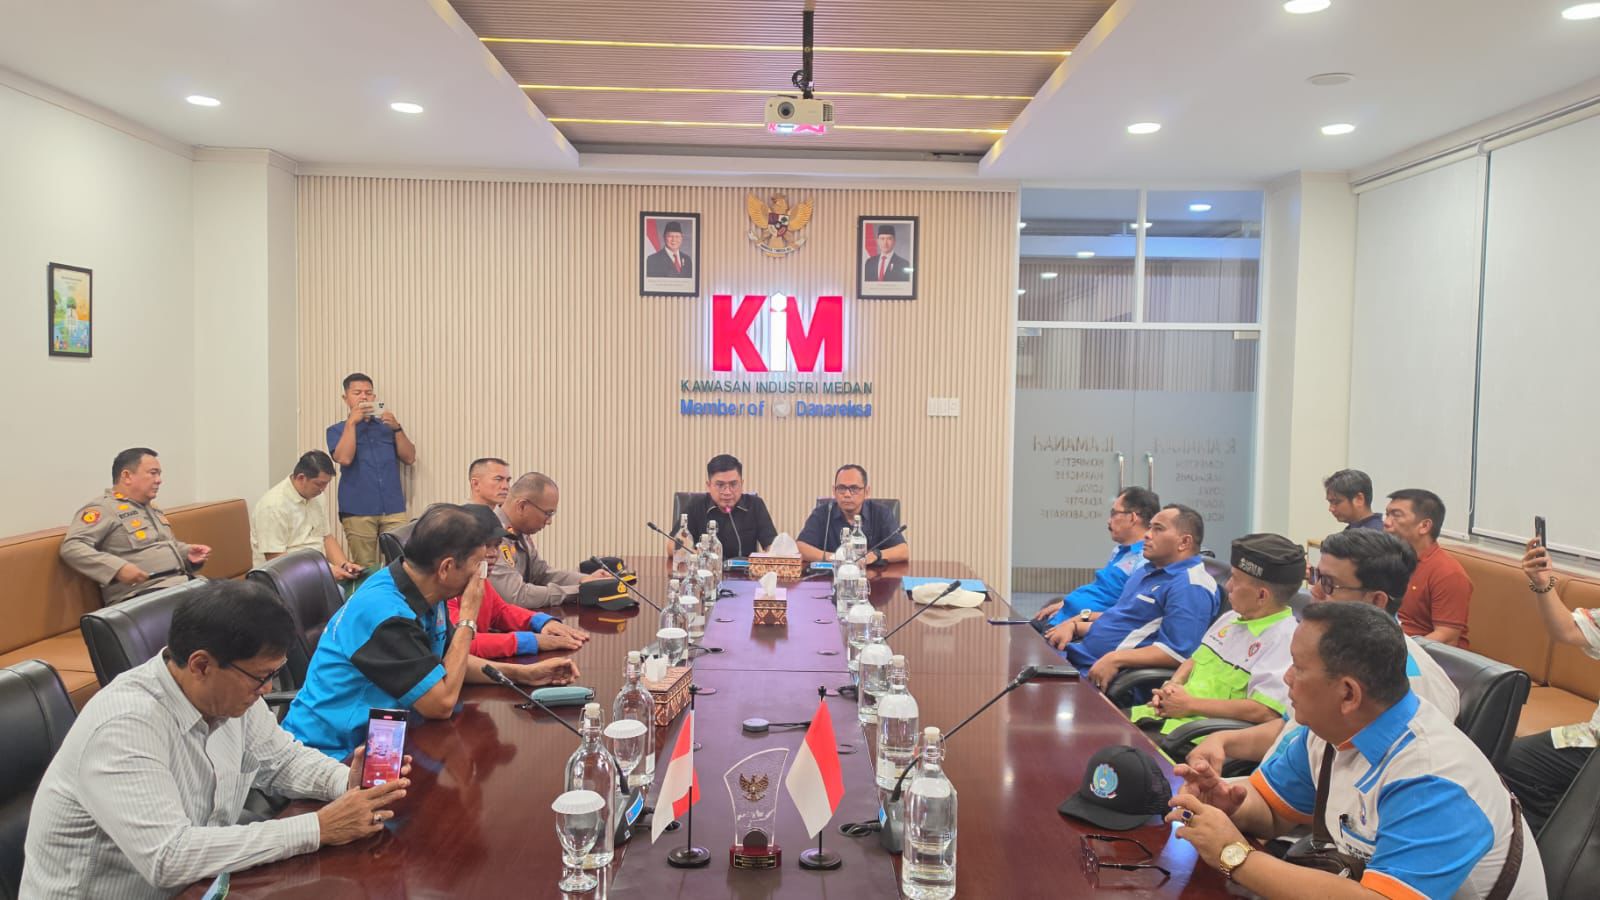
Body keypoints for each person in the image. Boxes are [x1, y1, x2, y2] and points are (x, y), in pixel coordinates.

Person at [21, 580, 410, 898]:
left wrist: (345, 781)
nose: (267, 689)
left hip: (204, 886)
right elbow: (169, 858)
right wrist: (319, 828)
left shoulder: (229, 694)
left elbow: (282, 760)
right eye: (261, 677)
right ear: (201, 665)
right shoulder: (125, 725)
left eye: (273, 675)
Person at [1168, 601, 1543, 899]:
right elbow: (1272, 809)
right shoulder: (1328, 729)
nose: (1286, 678)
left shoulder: (1434, 778)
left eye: (1297, 667)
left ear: (1348, 693)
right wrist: (1228, 803)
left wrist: (1235, 855)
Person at [283, 503, 578, 759]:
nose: (481, 575)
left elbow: (449, 663)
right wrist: (468, 618)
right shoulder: (385, 613)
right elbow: (441, 703)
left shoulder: (426, 589)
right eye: (477, 565)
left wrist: (523, 674)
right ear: (446, 568)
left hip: (387, 738)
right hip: (334, 753)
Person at [1186, 529, 1459, 771]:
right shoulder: (1333, 651)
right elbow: (1292, 731)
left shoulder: (1407, 680)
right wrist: (1223, 740)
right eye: (1316, 577)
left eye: (1329, 584)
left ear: (1376, 601)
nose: (1314, 592)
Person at [1128, 534, 1303, 743]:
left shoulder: (1285, 639)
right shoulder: (1232, 617)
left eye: (1235, 579)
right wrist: (1173, 685)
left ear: (1262, 595)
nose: (1228, 586)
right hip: (1159, 716)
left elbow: (1264, 711)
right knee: (1101, 727)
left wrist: (1189, 705)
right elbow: (1196, 659)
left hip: (1195, 737)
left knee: (1116, 754)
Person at [1060, 504, 1222, 690]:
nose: (1147, 534)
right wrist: (1074, 626)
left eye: (1158, 529)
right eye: (1150, 527)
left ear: (1184, 542)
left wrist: (1115, 659)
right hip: (1078, 656)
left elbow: (1177, 652)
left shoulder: (1191, 585)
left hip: (1100, 675)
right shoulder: (1148, 571)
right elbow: (1125, 623)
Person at [1503, 536, 1600, 834]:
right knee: (1511, 761)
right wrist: (1543, 582)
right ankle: (1552, 845)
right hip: (1591, 738)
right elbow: (1566, 630)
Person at [61, 447, 210, 606]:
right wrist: (118, 568)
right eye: (153, 473)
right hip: (142, 594)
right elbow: (72, 547)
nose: (159, 480)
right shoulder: (103, 508)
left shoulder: (152, 508)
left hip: (179, 585)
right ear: (127, 476)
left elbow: (161, 545)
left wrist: (187, 553)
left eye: (159, 474)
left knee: (226, 596)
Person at [450, 504, 589, 659]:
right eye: (486, 545)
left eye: (496, 545)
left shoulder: (479, 580)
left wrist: (542, 622)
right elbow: (462, 644)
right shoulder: (446, 592)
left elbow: (500, 612)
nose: (493, 553)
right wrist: (531, 641)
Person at [1035, 487, 1160, 646]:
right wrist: (1065, 603)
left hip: (1073, 631)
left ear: (1132, 518)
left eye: (1114, 513)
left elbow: (1124, 616)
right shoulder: (1120, 551)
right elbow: (1101, 590)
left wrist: (1078, 621)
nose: (1109, 521)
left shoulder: (1144, 561)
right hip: (1063, 617)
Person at [327, 372, 416, 570]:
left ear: (374, 397)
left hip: (392, 506)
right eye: (357, 393)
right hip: (357, 508)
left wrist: (397, 428)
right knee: (365, 567)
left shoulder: (386, 427)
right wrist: (352, 423)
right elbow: (344, 458)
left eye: (368, 393)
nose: (363, 397)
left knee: (402, 563)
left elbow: (410, 457)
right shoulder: (336, 430)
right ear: (346, 398)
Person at [489, 472, 609, 610]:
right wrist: (580, 590)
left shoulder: (520, 533)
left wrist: (585, 580)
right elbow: (517, 596)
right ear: (522, 506)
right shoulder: (491, 536)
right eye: (548, 513)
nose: (549, 521)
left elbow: (541, 573)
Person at [252, 450, 362, 579]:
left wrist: (344, 565)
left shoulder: (317, 497)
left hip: (316, 569)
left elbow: (326, 538)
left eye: (326, 484)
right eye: (319, 484)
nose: (323, 490)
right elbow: (276, 560)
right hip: (282, 576)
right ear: (301, 478)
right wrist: (323, 573)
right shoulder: (272, 506)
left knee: (361, 585)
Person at [1385, 488, 1471, 647]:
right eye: (1387, 514)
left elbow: (1447, 638)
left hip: (1418, 655)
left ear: (1424, 526)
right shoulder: (1391, 560)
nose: (1386, 522)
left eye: (1396, 515)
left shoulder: (1448, 573)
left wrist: (1398, 652)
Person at [795, 464, 908, 564]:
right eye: (841, 488)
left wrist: (876, 555)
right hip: (831, 577)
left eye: (854, 488)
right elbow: (800, 547)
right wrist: (835, 557)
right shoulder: (823, 513)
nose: (847, 494)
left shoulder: (881, 513)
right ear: (834, 491)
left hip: (872, 578)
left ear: (866, 491)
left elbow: (903, 551)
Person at [682, 454, 778, 560]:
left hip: (744, 570)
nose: (727, 492)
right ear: (709, 486)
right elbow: (673, 545)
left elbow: (772, 546)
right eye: (720, 485)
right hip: (706, 568)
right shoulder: (696, 505)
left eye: (733, 484)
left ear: (741, 484)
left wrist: (772, 554)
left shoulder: (755, 505)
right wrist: (698, 555)